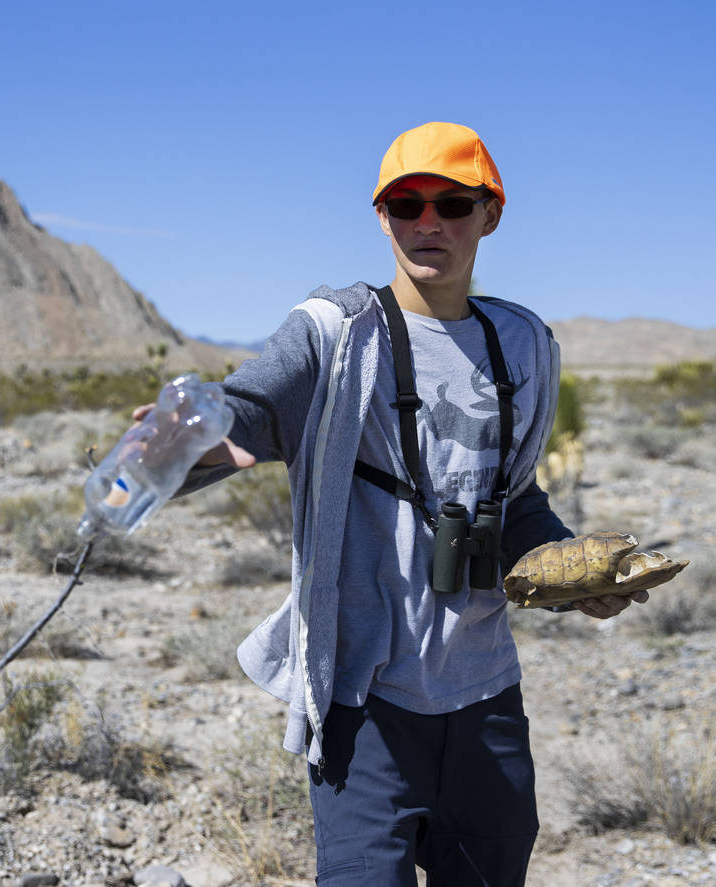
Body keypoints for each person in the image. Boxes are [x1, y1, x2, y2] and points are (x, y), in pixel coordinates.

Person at [151, 122, 649, 886]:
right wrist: (182, 443)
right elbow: (248, 409)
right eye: (405, 202)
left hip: (487, 700)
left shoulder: (522, 345)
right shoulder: (338, 332)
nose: (428, 222)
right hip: (367, 704)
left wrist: (574, 578)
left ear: (489, 215)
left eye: (452, 203)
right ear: (381, 215)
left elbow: (513, 497)